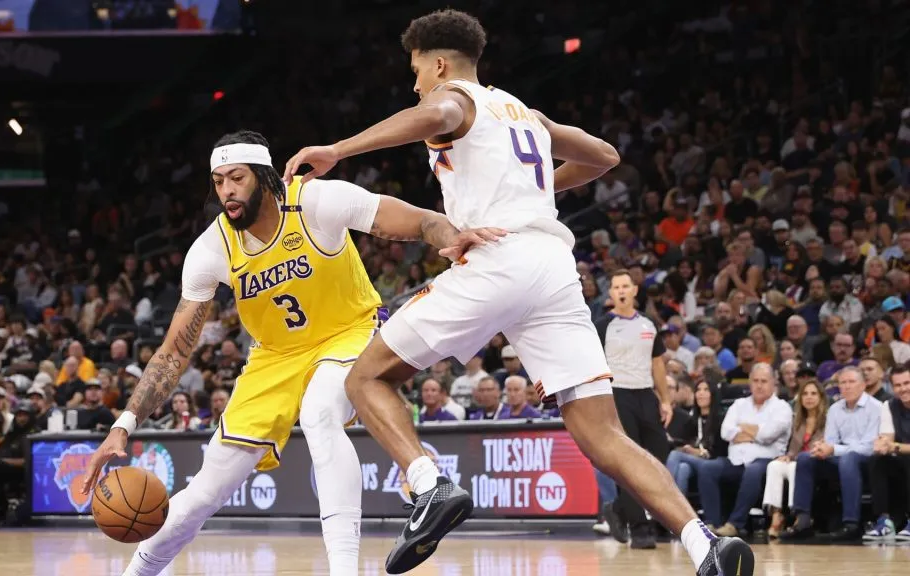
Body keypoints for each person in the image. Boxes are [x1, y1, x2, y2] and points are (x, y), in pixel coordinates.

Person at [284, 9, 752, 575]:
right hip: (555, 268)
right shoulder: (523, 112)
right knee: (600, 430)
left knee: (365, 377)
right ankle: (704, 544)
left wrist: (338, 150)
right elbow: (605, 156)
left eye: (415, 71)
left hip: (498, 258)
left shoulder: (454, 98)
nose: (414, 84)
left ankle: (428, 485)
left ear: (438, 63)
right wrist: (535, 190)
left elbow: (432, 111)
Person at [80, 130, 494, 576]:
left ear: (263, 176)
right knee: (205, 492)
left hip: (347, 333)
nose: (226, 192)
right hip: (274, 358)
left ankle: (344, 570)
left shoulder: (316, 202)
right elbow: (173, 351)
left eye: (236, 178)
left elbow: (415, 220)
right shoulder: (211, 249)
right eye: (218, 181)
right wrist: (124, 424)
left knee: (319, 412)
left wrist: (451, 235)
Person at [593, 270, 673, 549]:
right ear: (611, 293)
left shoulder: (649, 324)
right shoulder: (603, 325)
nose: (622, 291)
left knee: (659, 458)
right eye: (616, 287)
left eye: (626, 286)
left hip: (646, 395)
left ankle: (618, 508)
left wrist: (664, 400)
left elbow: (658, 364)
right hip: (617, 394)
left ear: (635, 290)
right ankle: (640, 528)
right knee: (629, 463)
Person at [783, 367, 883, 542]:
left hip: (868, 462)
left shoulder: (876, 408)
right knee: (806, 458)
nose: (847, 387)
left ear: (863, 385)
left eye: (852, 382)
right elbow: (830, 440)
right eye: (843, 383)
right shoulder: (836, 408)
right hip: (840, 459)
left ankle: (851, 524)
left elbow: (869, 446)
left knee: (849, 459)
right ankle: (803, 520)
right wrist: (821, 449)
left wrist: (834, 449)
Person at [699, 363, 792, 536]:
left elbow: (768, 435)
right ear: (749, 382)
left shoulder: (782, 407)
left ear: (773, 383)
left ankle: (735, 523)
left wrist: (742, 428)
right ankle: (713, 523)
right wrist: (757, 430)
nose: (759, 385)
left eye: (764, 381)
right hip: (735, 460)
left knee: (753, 471)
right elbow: (726, 432)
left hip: (766, 460)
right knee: (707, 468)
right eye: (755, 380)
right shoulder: (739, 404)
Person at [761, 380, 827, 538]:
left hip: (816, 461)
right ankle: (776, 515)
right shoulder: (797, 420)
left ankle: (798, 516)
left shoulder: (828, 420)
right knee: (774, 465)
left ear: (821, 397)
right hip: (797, 459)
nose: (809, 397)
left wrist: (794, 458)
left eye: (813, 393)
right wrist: (788, 456)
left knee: (794, 467)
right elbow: (792, 448)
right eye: (805, 394)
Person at [863, 365, 910, 541]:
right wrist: (882, 445)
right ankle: (884, 521)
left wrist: (894, 446)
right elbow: (887, 439)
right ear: (892, 387)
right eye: (898, 385)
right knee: (878, 459)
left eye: (907, 383)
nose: (903, 388)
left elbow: (894, 445)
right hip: (903, 462)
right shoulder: (889, 405)